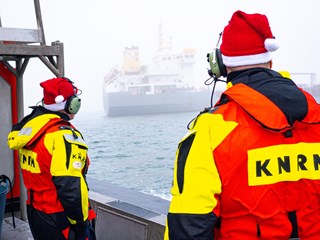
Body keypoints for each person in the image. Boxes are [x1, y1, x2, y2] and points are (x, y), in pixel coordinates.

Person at [164, 10, 320, 239]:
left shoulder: (210, 131)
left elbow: (188, 227)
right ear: (270, 60)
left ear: (220, 65)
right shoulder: (315, 115)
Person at [7, 77, 96, 240]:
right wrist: (81, 225)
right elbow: (69, 187)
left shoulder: (31, 129)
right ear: (69, 104)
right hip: (60, 220)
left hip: (36, 214)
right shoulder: (61, 136)